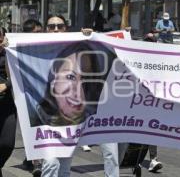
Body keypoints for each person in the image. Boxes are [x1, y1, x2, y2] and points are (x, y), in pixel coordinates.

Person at [41, 16, 120, 177]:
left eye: (60, 26)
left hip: (96, 110)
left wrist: (92, 37)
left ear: (66, 28)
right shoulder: (39, 47)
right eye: (51, 26)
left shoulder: (79, 44)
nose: (56, 29)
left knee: (111, 154)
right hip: (59, 117)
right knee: (54, 163)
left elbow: (112, 54)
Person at [21, 19, 43, 177]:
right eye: (36, 32)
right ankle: (36, 162)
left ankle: (34, 160)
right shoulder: (20, 47)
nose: (40, 35)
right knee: (34, 128)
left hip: (47, 95)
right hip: (29, 95)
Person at [143, 33, 163, 172]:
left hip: (153, 102)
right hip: (135, 101)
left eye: (152, 40)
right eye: (147, 40)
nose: (149, 42)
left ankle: (153, 160)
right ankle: (127, 158)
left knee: (152, 130)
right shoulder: (135, 56)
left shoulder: (160, 59)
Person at [0, 27, 17, 177]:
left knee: (7, 144)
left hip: (7, 105)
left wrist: (6, 84)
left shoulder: (10, 53)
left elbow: (19, 73)